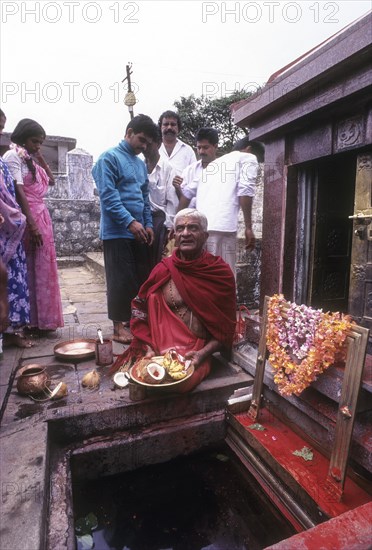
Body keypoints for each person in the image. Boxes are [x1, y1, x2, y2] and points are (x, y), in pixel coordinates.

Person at [110, 208, 237, 393]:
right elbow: (140, 308)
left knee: (179, 384)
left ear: (205, 235)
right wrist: (148, 347)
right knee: (146, 378)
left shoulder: (219, 273)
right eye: (180, 229)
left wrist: (202, 354)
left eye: (193, 228)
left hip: (196, 351)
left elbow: (226, 328)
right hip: (158, 348)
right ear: (174, 235)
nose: (185, 233)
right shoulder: (163, 269)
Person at [92, 114, 159, 344]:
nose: (143, 146)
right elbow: (109, 198)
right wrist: (130, 222)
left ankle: (134, 323)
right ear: (128, 132)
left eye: (147, 143)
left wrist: (148, 224)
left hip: (139, 232)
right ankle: (118, 328)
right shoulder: (108, 158)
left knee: (138, 280)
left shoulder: (140, 165)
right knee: (119, 281)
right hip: (117, 232)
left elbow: (144, 197)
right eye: (140, 140)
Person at [3, 118, 63, 333]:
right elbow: (19, 191)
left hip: (41, 215)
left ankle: (43, 319)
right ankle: (32, 320)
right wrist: (32, 225)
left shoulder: (28, 158)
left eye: (40, 142)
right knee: (31, 267)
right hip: (29, 218)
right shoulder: (12, 156)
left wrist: (38, 156)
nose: (37, 145)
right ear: (22, 137)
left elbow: (52, 181)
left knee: (44, 266)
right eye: (34, 141)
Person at [177, 136, 264, 275]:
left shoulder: (212, 165)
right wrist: (248, 227)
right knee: (224, 278)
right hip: (223, 228)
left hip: (201, 230)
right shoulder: (249, 158)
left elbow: (186, 194)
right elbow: (245, 191)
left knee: (203, 276)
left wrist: (176, 222)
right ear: (249, 149)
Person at [0, 109, 32, 348]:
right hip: (5, 225)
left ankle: (11, 329)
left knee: (13, 275)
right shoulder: (9, 158)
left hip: (10, 226)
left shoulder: (2, 162)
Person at [143, 127, 179, 268]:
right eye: (143, 143)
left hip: (160, 222)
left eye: (149, 144)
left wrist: (169, 228)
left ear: (158, 144)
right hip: (142, 220)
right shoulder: (139, 167)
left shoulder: (168, 168)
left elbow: (172, 201)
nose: (145, 147)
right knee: (142, 263)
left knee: (159, 262)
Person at [173, 127, 219, 208]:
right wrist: (177, 188)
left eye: (205, 147)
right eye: (199, 147)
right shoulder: (189, 171)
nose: (201, 151)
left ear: (215, 147)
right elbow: (183, 197)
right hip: (191, 217)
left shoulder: (223, 170)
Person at [158, 110, 196, 175]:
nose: (169, 127)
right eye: (166, 124)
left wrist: (183, 183)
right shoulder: (152, 148)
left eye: (173, 124)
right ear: (160, 127)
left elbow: (195, 176)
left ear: (178, 128)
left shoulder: (188, 151)